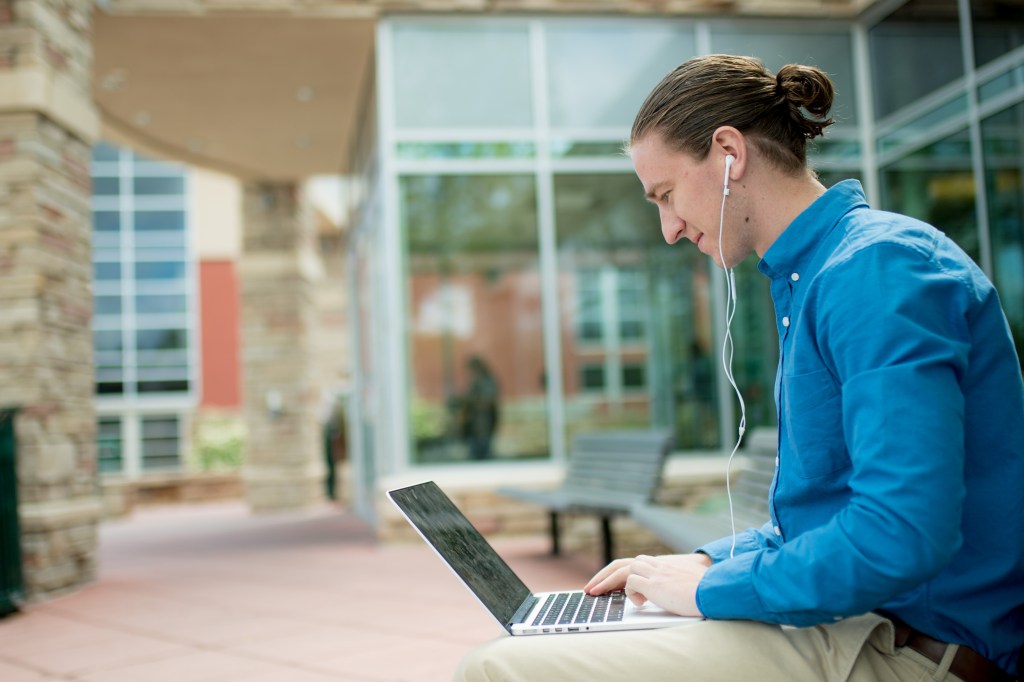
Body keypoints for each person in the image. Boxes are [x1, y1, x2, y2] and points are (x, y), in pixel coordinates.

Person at [454, 54, 1024, 682]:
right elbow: (823, 515)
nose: (669, 228)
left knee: (498, 669)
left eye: (666, 195)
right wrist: (707, 563)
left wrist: (706, 593)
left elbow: (900, 533)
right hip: (860, 625)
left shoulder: (877, 271)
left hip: (915, 650)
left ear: (729, 152)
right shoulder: (819, 278)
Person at [460, 355, 500, 459]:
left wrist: (471, 402)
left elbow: (486, 402)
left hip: (484, 423)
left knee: (483, 451)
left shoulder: (486, 382)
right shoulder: (474, 383)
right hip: (474, 426)